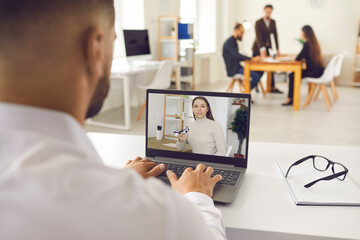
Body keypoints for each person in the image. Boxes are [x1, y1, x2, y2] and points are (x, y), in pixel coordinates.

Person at [0, 1, 226, 240]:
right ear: (95, 48)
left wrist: (121, 180)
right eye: (113, 40)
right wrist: (198, 197)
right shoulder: (160, 216)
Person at [282, 25, 325, 106]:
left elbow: (298, 58)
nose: (300, 34)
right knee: (293, 75)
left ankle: (290, 99)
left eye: (301, 32)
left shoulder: (307, 44)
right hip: (318, 70)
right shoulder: (314, 43)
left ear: (305, 33)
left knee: (292, 75)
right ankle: (291, 98)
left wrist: (299, 58)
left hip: (314, 72)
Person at [252, 4, 283, 93]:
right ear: (264, 11)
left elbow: (275, 36)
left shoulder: (273, 22)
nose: (268, 13)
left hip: (268, 47)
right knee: (257, 68)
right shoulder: (258, 22)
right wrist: (262, 49)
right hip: (257, 48)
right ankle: (255, 85)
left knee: (271, 66)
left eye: (270, 12)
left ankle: (271, 87)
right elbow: (258, 37)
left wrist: (277, 49)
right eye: (267, 11)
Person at [223, 23, 262, 91]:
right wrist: (251, 58)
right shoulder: (230, 42)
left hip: (237, 67)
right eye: (241, 32)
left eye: (243, 32)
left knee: (258, 72)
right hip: (233, 70)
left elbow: (236, 55)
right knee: (256, 76)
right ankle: (246, 92)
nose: (242, 34)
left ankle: (246, 92)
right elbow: (237, 56)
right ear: (235, 30)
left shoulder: (234, 41)